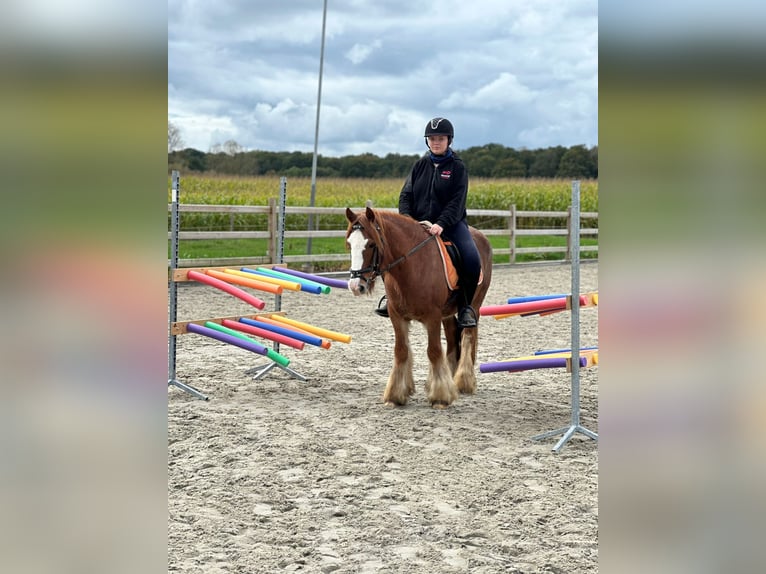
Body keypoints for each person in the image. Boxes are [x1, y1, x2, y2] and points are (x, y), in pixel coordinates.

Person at [375, 117, 481, 328]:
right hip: (418, 225)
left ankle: (465, 307)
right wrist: (408, 222)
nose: (436, 142)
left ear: (448, 140)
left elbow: (457, 201)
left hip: (450, 225)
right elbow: (406, 195)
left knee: (471, 259)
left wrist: (441, 223)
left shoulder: (457, 168)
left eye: (440, 138)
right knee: (388, 253)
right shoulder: (419, 165)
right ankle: (392, 299)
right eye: (432, 138)